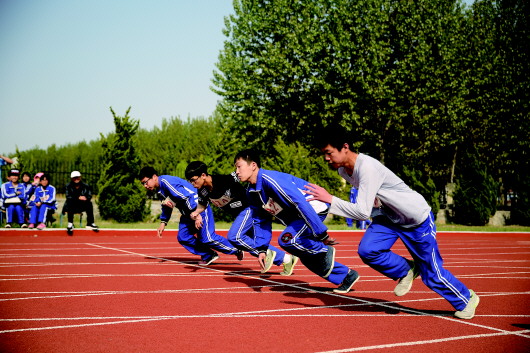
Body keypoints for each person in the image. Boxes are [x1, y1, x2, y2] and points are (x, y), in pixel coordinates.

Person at [305, 123, 479, 319]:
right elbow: (370, 200)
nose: (326, 159)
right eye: (324, 154)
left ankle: (466, 299)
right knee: (368, 250)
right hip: (388, 216)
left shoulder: (367, 167)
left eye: (329, 153)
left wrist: (329, 200)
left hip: (416, 219)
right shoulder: (343, 171)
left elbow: (361, 212)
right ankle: (407, 269)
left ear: (345, 147)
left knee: (432, 274)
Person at [233, 149, 360, 294]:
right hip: (299, 217)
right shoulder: (251, 191)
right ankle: (347, 276)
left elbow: (300, 202)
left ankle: (324, 250)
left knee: (287, 240)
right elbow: (260, 219)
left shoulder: (271, 180)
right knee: (306, 256)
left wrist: (321, 233)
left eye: (239, 166)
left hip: (313, 209)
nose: (236, 171)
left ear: (253, 165)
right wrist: (262, 249)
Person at [185, 161, 298, 275]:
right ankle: (287, 259)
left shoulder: (223, 180)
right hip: (241, 215)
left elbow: (244, 175)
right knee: (252, 242)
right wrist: (196, 212)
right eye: (190, 181)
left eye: (194, 180)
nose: (192, 183)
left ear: (203, 175)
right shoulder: (202, 190)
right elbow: (202, 205)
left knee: (235, 237)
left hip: (250, 208)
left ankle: (266, 253)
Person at [139, 166, 243, 265]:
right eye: (143, 184)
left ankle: (235, 249)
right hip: (187, 214)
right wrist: (163, 222)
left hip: (199, 207)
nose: (145, 186)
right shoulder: (160, 189)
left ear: (154, 177)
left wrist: (197, 215)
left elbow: (187, 197)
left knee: (207, 238)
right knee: (183, 237)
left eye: (145, 182)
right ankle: (209, 255)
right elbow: (167, 205)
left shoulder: (167, 182)